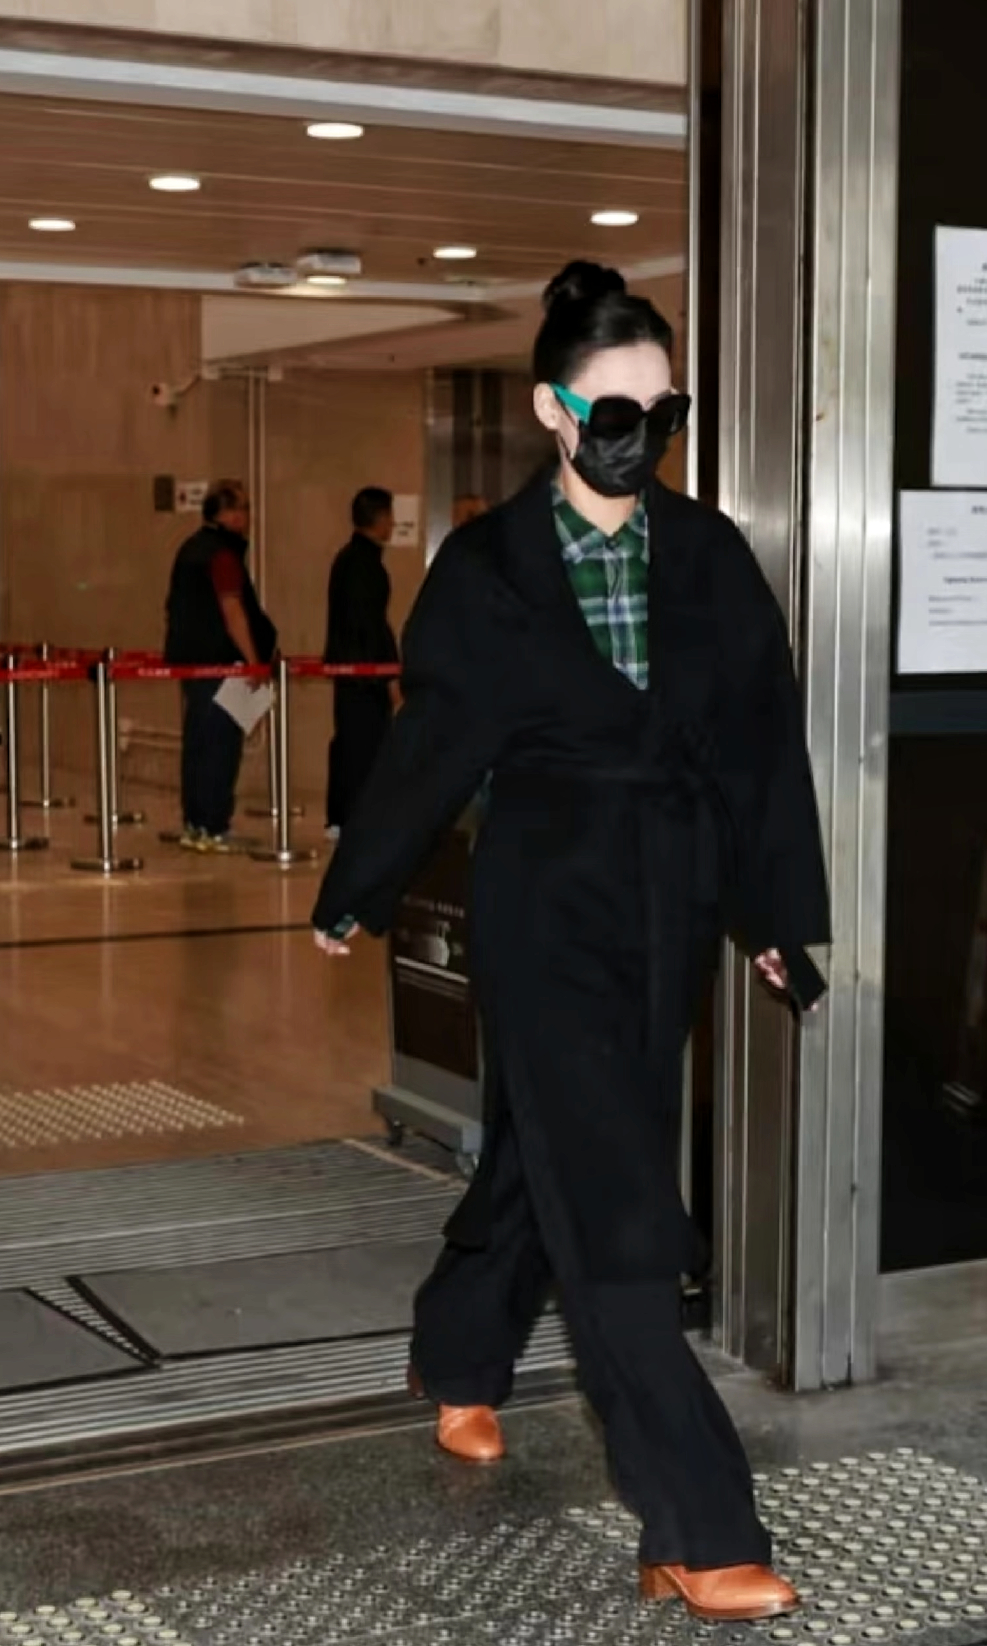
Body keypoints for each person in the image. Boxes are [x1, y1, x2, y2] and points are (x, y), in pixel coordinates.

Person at [311, 261, 830, 1624]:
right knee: (613, 1199)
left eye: (664, 411)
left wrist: (774, 915)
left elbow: (757, 743)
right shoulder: (490, 565)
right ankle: (695, 1522)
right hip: (543, 899)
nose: (639, 435)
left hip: (669, 897)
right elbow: (436, 741)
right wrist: (358, 883)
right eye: (613, 410)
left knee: (554, 1153)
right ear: (553, 408)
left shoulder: (708, 552)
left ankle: (456, 1346)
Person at [164, 480, 277, 852]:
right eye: (242, 508)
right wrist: (254, 661)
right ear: (226, 514)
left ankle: (195, 823)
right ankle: (213, 825)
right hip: (221, 664)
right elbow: (233, 610)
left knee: (198, 743)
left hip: (193, 664)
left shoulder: (189, 549)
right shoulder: (222, 556)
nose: (248, 516)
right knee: (220, 745)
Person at [324, 487, 400, 839]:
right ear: (379, 518)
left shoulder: (348, 559)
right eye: (390, 516)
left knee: (349, 745)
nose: (393, 524)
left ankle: (342, 818)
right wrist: (389, 674)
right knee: (363, 747)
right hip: (365, 675)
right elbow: (371, 626)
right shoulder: (365, 566)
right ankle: (355, 818)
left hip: (350, 671)